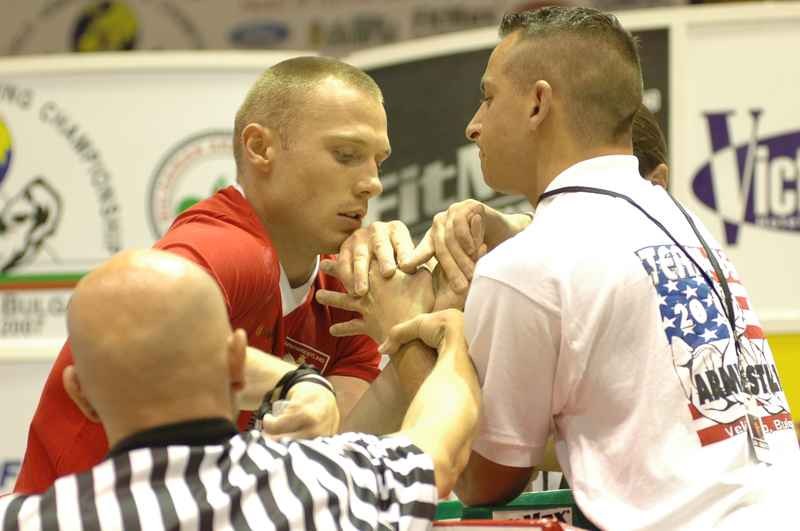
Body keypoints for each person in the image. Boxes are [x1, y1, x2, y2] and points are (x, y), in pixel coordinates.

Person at [327, 7, 800, 529]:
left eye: (488, 96)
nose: (473, 125)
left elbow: (481, 479)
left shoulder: (530, 264)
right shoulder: (681, 220)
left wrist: (405, 330)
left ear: (537, 104)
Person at [14, 56, 392, 494]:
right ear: (260, 147)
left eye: (378, 161)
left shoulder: (345, 291)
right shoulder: (229, 249)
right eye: (346, 155)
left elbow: (339, 454)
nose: (373, 183)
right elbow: (137, 327)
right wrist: (296, 381)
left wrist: (413, 331)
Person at [0, 249, 481, 530]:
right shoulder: (322, 484)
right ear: (237, 358)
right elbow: (443, 443)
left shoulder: (31, 521)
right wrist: (452, 336)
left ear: (81, 394)